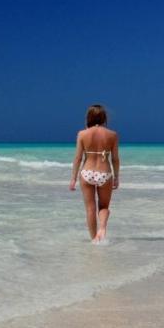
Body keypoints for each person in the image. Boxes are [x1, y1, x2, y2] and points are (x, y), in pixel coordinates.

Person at [70, 104, 120, 243]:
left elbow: (78, 158)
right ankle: (102, 228)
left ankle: (94, 241)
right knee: (103, 207)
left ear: (89, 118)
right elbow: (115, 159)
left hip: (87, 172)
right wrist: (116, 177)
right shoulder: (112, 135)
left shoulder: (82, 134)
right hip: (104, 174)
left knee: (90, 209)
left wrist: (73, 179)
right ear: (104, 118)